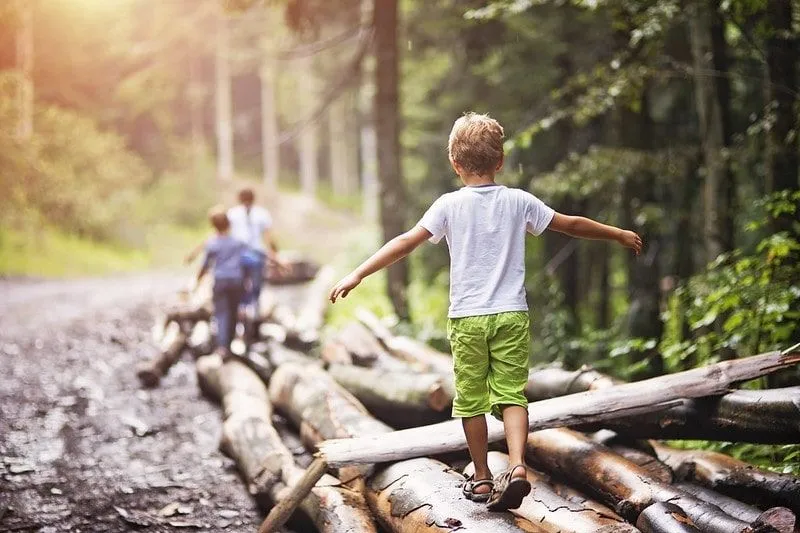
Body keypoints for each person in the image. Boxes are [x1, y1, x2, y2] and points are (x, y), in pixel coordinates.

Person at [328, 112, 642, 511]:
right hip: (511, 314)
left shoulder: (448, 205)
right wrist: (616, 233)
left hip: (467, 318)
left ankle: (480, 477)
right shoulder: (518, 201)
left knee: (472, 400)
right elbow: (570, 224)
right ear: (500, 161)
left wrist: (357, 273)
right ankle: (517, 465)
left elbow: (406, 242)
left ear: (454, 164)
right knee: (512, 395)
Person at [186, 187, 283, 315]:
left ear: (239, 199)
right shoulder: (247, 213)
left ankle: (250, 306)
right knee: (251, 282)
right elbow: (268, 237)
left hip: (248, 254)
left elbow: (216, 235)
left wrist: (195, 253)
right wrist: (275, 254)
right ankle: (249, 306)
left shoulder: (240, 213)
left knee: (249, 282)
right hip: (245, 253)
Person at [195, 208, 247, 357]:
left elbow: (204, 266)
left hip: (220, 281)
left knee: (221, 313)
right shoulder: (237, 243)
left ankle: (223, 347)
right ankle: (229, 346)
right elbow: (248, 260)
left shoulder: (212, 243)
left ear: (213, 226)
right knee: (233, 313)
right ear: (229, 224)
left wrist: (197, 282)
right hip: (236, 281)